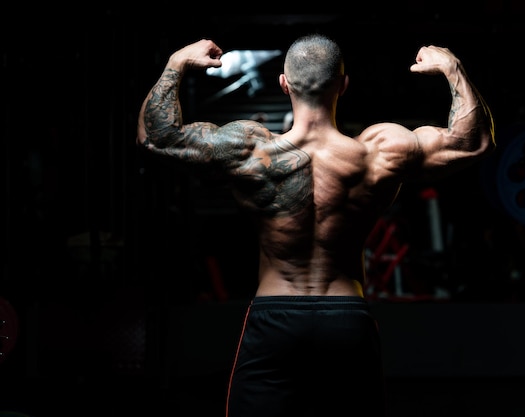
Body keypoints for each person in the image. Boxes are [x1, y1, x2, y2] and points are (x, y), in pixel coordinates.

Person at [136, 33, 495, 417]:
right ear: (343, 84)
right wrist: (452, 68)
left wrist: (176, 62)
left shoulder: (250, 149)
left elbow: (156, 137)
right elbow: (474, 142)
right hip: (346, 318)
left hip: (274, 318)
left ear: (284, 83)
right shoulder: (380, 151)